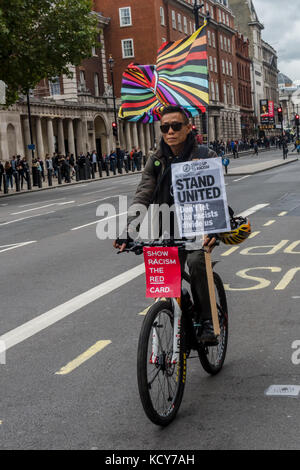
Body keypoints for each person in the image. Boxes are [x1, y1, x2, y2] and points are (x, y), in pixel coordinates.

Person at [113, 105, 219, 343]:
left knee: (196, 260)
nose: (170, 131)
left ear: (188, 127)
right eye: (165, 127)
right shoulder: (157, 159)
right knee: (167, 274)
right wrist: (129, 230)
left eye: (176, 126)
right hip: (169, 225)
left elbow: (215, 195)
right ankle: (181, 313)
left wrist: (212, 229)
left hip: (200, 224)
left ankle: (208, 320)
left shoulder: (205, 155)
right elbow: (143, 194)